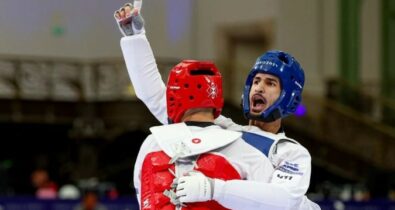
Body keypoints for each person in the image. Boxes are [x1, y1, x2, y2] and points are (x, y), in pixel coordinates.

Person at [114, 1, 320, 209]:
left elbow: (284, 199)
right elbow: (159, 99)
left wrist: (214, 189)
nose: (259, 88)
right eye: (256, 81)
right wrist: (135, 39)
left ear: (288, 97)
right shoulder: (224, 132)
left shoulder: (289, 153)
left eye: (270, 83)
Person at [133, 60, 274, 209]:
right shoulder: (248, 153)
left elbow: (142, 194)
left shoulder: (154, 142)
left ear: (173, 96)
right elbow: (277, 202)